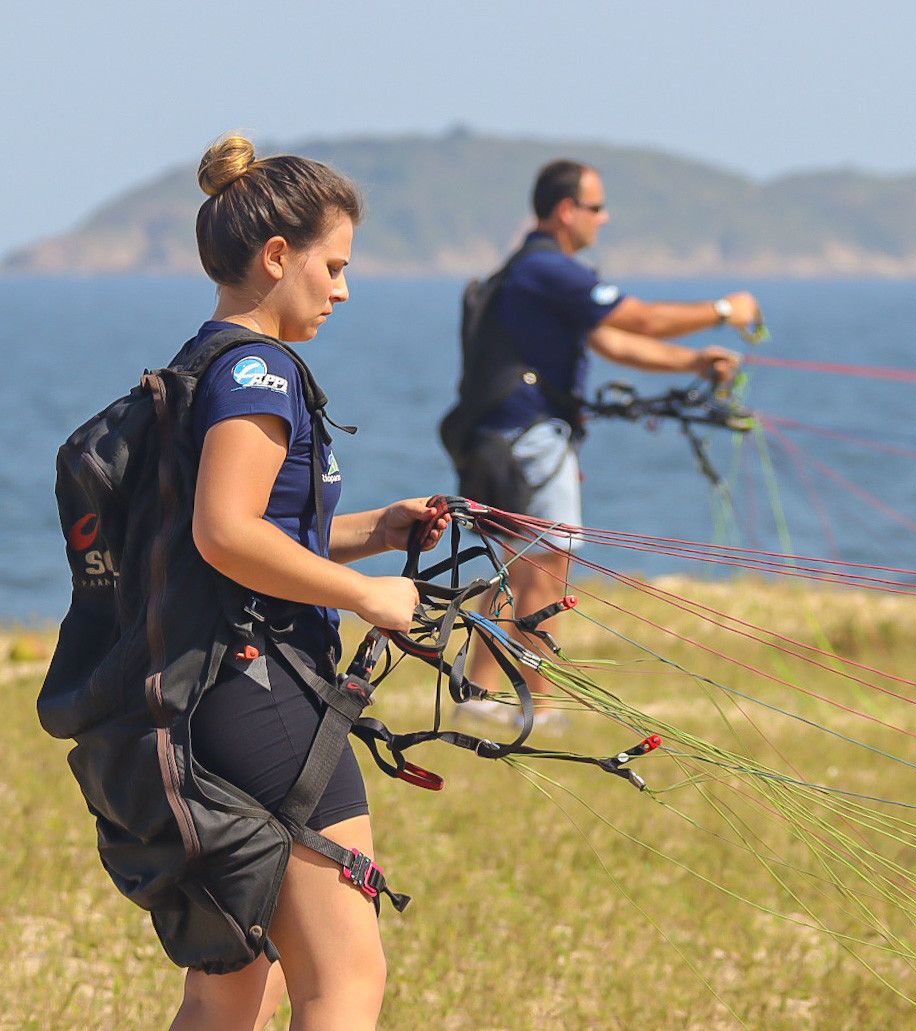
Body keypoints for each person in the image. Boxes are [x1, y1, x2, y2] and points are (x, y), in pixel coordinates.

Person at [168, 134, 448, 1030]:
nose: (342, 288)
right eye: (333, 264)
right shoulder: (262, 371)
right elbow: (225, 531)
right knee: (341, 978)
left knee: (231, 983)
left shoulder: (198, 363)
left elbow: (249, 530)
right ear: (277, 255)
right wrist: (367, 596)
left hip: (201, 686)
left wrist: (374, 533)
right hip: (267, 698)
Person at [448, 159, 762, 714]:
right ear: (567, 211)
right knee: (548, 564)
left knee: (516, 565)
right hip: (531, 437)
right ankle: (538, 710)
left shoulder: (530, 271)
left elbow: (614, 343)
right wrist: (722, 311)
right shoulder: (552, 270)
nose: (604, 217)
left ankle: (478, 697)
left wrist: (693, 362)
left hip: (507, 436)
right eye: (596, 207)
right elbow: (638, 320)